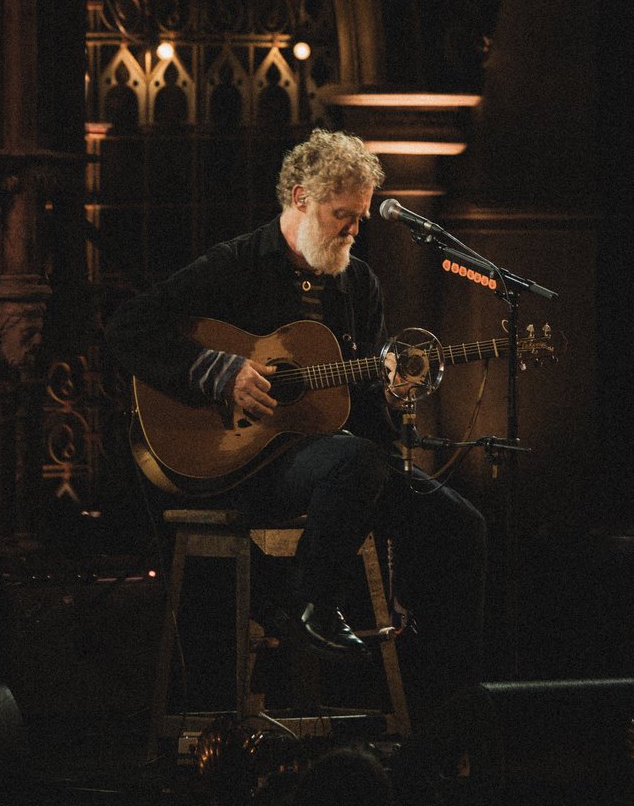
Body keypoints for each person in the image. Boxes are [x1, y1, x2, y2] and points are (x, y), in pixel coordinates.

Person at [104, 128, 487, 715]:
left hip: (336, 470)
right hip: (243, 467)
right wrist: (217, 371)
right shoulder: (236, 265)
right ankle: (311, 606)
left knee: (461, 524)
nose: (355, 230)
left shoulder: (358, 285)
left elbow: (360, 413)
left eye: (360, 217)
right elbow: (126, 331)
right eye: (343, 215)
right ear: (301, 198)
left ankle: (446, 708)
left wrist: (390, 394)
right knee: (353, 462)